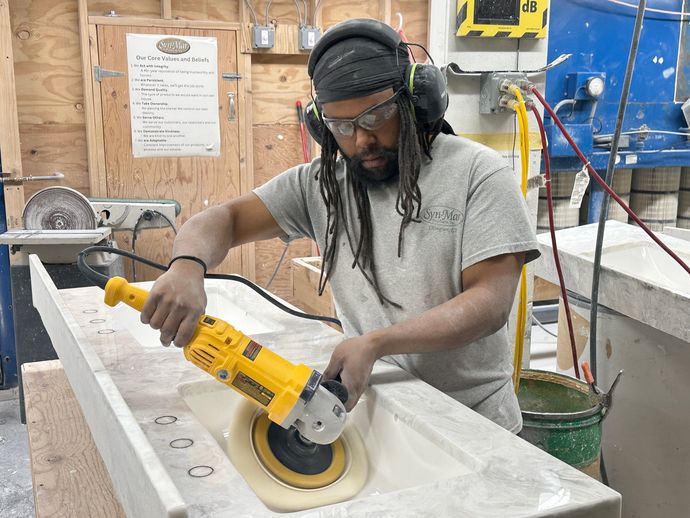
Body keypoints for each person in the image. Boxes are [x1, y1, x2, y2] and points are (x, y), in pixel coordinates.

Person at [141, 18, 540, 433]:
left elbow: (489, 304)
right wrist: (186, 265)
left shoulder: (479, 175)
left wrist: (378, 342)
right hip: (383, 408)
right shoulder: (323, 184)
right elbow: (224, 219)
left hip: (475, 421)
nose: (361, 140)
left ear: (415, 102)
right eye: (341, 126)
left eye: (377, 116)